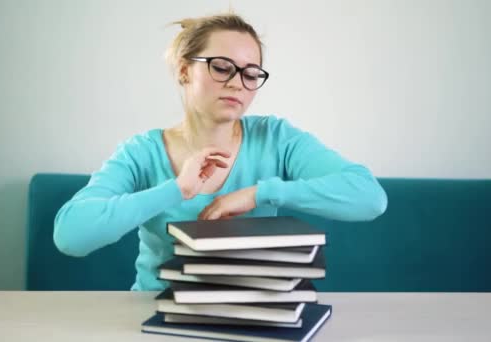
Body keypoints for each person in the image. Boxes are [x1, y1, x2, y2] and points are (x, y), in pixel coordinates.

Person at [54, 12, 388, 291]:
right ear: (185, 70)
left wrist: (258, 194)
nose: (237, 83)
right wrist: (177, 190)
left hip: (256, 315)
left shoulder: (277, 138)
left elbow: (369, 197)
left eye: (250, 73)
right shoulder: (141, 152)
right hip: (159, 316)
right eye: (221, 67)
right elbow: (71, 236)